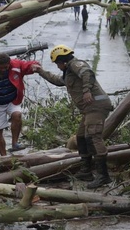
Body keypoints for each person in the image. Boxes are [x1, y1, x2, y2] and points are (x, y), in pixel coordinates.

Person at [35, 45, 114, 189]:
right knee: (81, 137)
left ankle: (103, 176)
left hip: (96, 106)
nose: (58, 67)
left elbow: (87, 73)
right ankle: (86, 171)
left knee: (93, 137)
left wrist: (86, 91)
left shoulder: (76, 65)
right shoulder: (68, 72)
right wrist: (40, 71)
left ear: (62, 61)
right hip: (88, 110)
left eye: (57, 64)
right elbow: (58, 81)